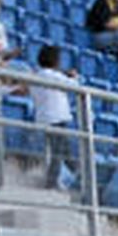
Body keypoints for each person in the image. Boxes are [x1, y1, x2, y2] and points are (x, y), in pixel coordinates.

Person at [33, 44, 76, 190]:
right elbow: (74, 85)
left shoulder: (36, 75)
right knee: (58, 152)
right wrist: (72, 76)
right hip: (57, 118)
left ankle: (79, 175)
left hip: (45, 117)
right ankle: (50, 183)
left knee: (65, 151)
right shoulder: (54, 76)